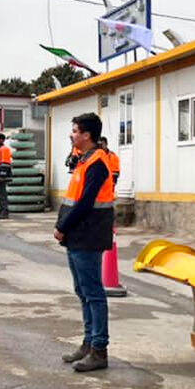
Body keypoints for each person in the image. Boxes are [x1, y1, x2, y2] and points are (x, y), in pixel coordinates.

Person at [55, 113, 114, 372]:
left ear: (87, 135)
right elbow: (73, 199)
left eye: (75, 131)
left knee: (93, 294)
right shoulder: (84, 160)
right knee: (83, 292)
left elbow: (86, 203)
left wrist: (62, 227)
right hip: (76, 236)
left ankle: (99, 350)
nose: (72, 135)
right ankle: (88, 343)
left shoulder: (98, 163)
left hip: (88, 236)